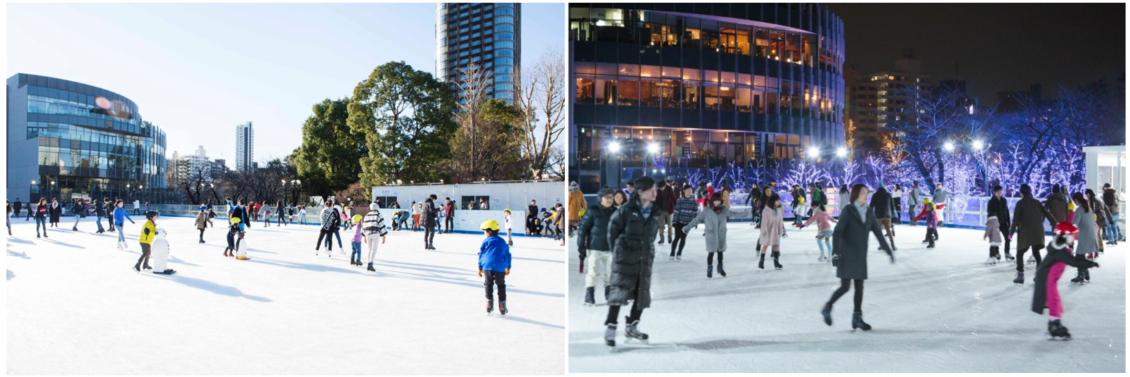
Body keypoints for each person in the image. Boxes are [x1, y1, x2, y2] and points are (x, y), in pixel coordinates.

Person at [821, 184, 894, 331]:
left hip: (860, 254)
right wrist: (835, 253)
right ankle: (827, 307)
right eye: (863, 193)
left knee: (859, 286)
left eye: (867, 193)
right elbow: (837, 233)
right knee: (846, 286)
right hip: (846, 254)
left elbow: (878, 233)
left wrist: (888, 249)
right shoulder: (848, 210)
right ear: (855, 194)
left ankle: (857, 318)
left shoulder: (868, 212)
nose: (866, 196)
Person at [603, 177, 658, 348]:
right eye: (651, 190)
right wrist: (618, 251)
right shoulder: (626, 210)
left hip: (644, 257)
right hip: (625, 258)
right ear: (640, 192)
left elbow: (652, 235)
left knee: (642, 293)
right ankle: (611, 328)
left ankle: (632, 326)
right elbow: (612, 230)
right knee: (619, 292)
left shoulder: (654, 211)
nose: (655, 193)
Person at [1032, 222, 1099, 339]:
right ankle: (1054, 326)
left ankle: (1053, 323)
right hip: (1047, 280)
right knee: (1054, 301)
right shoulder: (1060, 252)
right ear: (1066, 236)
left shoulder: (1060, 249)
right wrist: (1090, 264)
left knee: (1056, 302)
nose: (1074, 238)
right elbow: (1074, 262)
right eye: (1073, 235)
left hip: (1049, 279)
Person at [683, 192, 752, 278]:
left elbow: (734, 214)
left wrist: (747, 213)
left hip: (721, 234)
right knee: (711, 253)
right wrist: (688, 227)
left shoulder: (724, 209)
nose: (717, 202)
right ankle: (709, 268)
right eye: (715, 201)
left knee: (720, 253)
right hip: (711, 234)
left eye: (719, 201)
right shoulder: (707, 210)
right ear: (712, 201)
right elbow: (697, 219)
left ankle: (720, 267)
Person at [1010, 184, 1058, 285]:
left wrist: (1010, 234)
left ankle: (1020, 275)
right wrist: (1056, 224)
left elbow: (1015, 220)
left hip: (1026, 232)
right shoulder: (1037, 202)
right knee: (1036, 252)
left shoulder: (1020, 203)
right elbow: (1047, 214)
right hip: (1038, 231)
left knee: (1020, 253)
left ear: (1021, 193)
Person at [578, 188, 617, 305]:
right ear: (601, 198)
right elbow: (582, 230)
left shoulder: (615, 211)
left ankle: (609, 293)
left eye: (611, 197)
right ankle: (589, 295)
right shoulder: (592, 211)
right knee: (593, 272)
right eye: (607, 197)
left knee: (610, 273)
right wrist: (581, 247)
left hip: (611, 248)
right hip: (594, 247)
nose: (610, 200)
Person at [478, 220, 512, 315]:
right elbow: (508, 255)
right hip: (500, 267)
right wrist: (508, 266)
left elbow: (481, 254)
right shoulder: (502, 241)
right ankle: (502, 305)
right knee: (501, 285)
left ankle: (489, 303)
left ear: (489, 231)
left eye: (485, 231)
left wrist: (480, 267)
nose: (484, 233)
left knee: (488, 284)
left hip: (487, 266)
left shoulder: (486, 241)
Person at [1069, 193, 1099, 284]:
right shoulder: (1088, 208)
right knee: (1081, 256)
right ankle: (1085, 272)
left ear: (1076, 200)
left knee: (1079, 256)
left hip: (1085, 236)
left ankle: (1081, 274)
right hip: (1090, 234)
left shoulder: (1079, 209)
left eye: (1074, 201)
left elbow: (1075, 222)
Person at [757, 193, 786, 270]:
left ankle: (776, 262)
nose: (778, 202)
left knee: (776, 244)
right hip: (768, 230)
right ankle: (761, 261)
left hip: (775, 230)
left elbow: (780, 221)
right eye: (777, 201)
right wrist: (764, 233)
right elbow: (764, 223)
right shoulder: (766, 210)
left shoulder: (779, 210)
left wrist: (780, 231)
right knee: (765, 245)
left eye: (779, 201)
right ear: (773, 201)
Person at [986, 185, 1014, 261]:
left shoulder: (1004, 200)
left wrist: (1008, 221)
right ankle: (996, 253)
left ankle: (1007, 252)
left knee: (1008, 237)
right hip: (995, 223)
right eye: (998, 192)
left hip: (1004, 222)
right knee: (995, 239)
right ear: (994, 192)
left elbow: (1006, 211)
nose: (1000, 193)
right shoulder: (991, 202)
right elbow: (989, 213)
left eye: (1001, 192)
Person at [671, 185, 698, 261]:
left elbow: (695, 212)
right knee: (676, 238)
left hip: (687, 224)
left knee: (683, 238)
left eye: (691, 190)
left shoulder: (693, 201)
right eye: (688, 190)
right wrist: (674, 221)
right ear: (684, 191)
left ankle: (679, 253)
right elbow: (676, 211)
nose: (689, 191)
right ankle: (672, 252)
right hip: (679, 222)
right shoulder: (680, 200)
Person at [869, 182, 897, 250]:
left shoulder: (875, 195)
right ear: (884, 187)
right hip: (888, 215)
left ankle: (881, 244)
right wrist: (892, 214)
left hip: (878, 216)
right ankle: (893, 245)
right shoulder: (888, 195)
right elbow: (892, 205)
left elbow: (871, 206)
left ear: (878, 187)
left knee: (879, 231)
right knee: (888, 230)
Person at [361, 203, 388, 271]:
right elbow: (381, 225)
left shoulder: (367, 214)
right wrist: (383, 235)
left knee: (369, 249)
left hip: (367, 233)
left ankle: (368, 263)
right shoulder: (378, 214)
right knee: (374, 249)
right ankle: (370, 264)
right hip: (375, 233)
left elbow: (364, 225)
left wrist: (364, 235)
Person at [1085, 189, 1111, 257]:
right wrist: (1110, 218)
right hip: (1101, 218)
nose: (1086, 196)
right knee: (1097, 234)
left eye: (1086, 195)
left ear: (1088, 194)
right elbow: (1106, 209)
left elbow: (1092, 210)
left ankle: (1094, 250)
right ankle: (1100, 248)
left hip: (1096, 219)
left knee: (1093, 235)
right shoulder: (1099, 199)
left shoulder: (1092, 199)